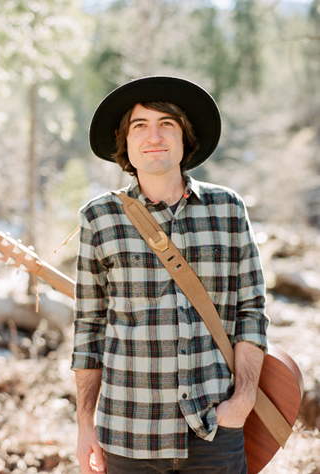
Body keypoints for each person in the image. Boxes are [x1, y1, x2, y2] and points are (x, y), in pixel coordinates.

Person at [73, 76, 268, 474]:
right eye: (139, 126)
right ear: (125, 142)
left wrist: (243, 402)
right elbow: (88, 328)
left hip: (215, 428)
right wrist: (83, 425)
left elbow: (252, 309)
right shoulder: (98, 217)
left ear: (185, 138)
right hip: (127, 433)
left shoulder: (228, 209)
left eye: (167, 123)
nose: (154, 136)